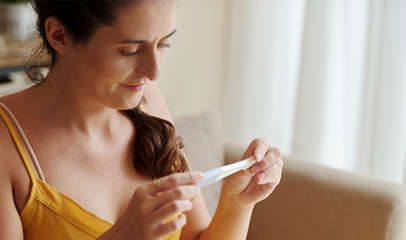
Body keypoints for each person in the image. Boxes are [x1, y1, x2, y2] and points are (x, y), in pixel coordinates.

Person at [0, 1, 283, 240]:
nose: (154, 71)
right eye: (130, 51)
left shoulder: (148, 102)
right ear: (60, 35)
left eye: (164, 43)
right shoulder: (6, 141)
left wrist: (236, 202)